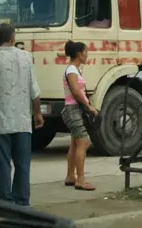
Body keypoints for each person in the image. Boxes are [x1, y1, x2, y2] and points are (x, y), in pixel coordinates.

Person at [0, 23, 43, 206]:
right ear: (13, 39)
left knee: (2, 163)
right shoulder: (26, 57)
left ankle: (5, 201)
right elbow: (34, 91)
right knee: (22, 164)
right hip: (22, 121)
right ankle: (22, 201)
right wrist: (38, 114)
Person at [61, 40, 98, 191]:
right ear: (79, 54)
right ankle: (80, 180)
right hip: (73, 110)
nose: (87, 55)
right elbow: (76, 91)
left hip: (75, 109)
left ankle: (71, 176)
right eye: (86, 52)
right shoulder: (71, 70)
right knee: (84, 142)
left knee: (75, 143)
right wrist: (88, 106)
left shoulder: (75, 69)